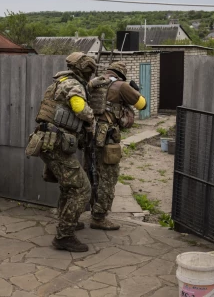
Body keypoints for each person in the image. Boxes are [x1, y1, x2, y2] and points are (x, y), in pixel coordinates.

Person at [26, 52, 106, 252]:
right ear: (83, 69)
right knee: (82, 188)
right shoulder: (73, 85)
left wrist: (92, 85)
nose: (89, 73)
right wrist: (92, 118)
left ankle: (67, 220)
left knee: (68, 186)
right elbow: (79, 108)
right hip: (55, 143)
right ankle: (64, 236)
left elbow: (74, 93)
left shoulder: (64, 81)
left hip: (50, 141)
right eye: (89, 71)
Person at [86, 61, 147, 230]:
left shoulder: (94, 82)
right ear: (122, 74)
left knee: (90, 174)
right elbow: (143, 104)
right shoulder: (121, 86)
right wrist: (134, 90)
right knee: (108, 177)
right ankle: (99, 218)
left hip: (89, 134)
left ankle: (78, 213)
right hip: (107, 138)